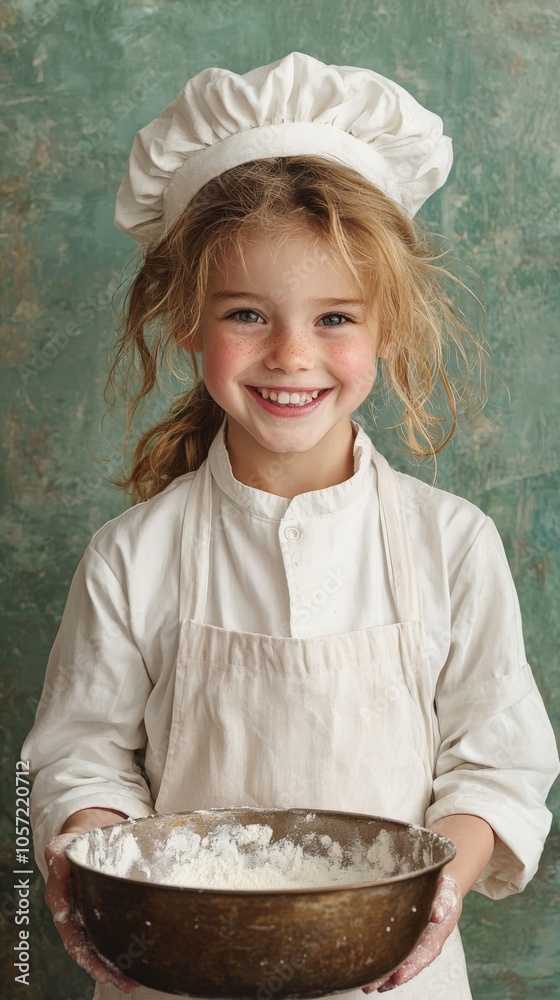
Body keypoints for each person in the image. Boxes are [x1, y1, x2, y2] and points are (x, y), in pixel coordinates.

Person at [22, 52, 559, 999]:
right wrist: (81, 849)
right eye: (247, 313)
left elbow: (497, 764)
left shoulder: (453, 545)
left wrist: (440, 893)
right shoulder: (130, 557)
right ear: (189, 319)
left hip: (399, 979)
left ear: (387, 326)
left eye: (337, 317)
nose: (292, 355)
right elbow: (79, 756)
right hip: (174, 976)